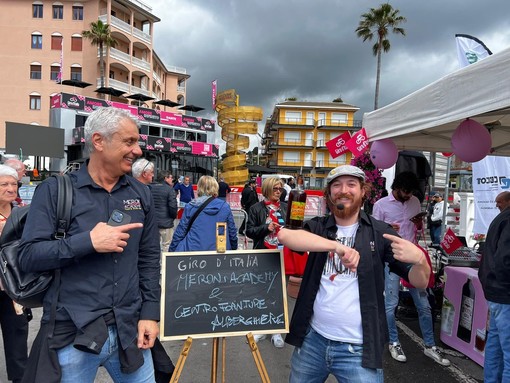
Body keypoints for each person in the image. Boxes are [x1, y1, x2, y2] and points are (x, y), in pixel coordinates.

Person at [18, 107, 161, 383]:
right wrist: (88, 242)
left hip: (130, 331)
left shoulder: (141, 193)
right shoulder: (55, 190)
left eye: (137, 142)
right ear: (98, 141)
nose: (138, 151)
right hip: (73, 334)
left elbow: (149, 259)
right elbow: (29, 255)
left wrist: (150, 314)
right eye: (129, 142)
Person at [277, 165, 430, 382]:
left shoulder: (379, 232)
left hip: (359, 349)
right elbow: (286, 237)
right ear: (329, 194)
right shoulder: (320, 227)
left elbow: (420, 282)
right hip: (313, 342)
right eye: (337, 185)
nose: (343, 190)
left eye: (351, 184)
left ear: (363, 191)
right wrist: (337, 247)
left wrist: (421, 260)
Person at [372, 172, 450, 366]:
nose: (408, 196)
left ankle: (430, 346)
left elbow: (416, 228)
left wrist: (418, 224)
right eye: (405, 192)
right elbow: (373, 234)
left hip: (413, 257)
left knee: (424, 304)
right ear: (396, 188)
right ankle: (394, 342)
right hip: (392, 259)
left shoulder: (415, 201)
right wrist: (386, 228)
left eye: (410, 192)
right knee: (391, 304)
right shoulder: (381, 205)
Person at [246, 177, 288, 348]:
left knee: (278, 292)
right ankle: (261, 327)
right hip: (263, 254)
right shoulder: (256, 208)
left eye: (281, 188)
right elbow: (249, 231)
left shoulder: (286, 207)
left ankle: (276, 329)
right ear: (268, 189)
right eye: (276, 188)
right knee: (261, 291)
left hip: (282, 255)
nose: (279, 191)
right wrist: (266, 228)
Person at [0, 164, 29, 383]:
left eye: (13, 184)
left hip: (14, 289)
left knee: (18, 337)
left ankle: (20, 379)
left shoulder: (23, 214)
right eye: (4, 184)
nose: (11, 188)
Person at [479, 190, 510, 383]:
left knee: (495, 347)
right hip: (504, 293)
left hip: (496, 292)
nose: (497, 205)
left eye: (499, 201)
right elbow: (505, 260)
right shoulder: (506, 219)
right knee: (504, 351)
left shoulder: (502, 219)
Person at [170, 175, 237, 252]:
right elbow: (232, 232)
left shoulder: (191, 206)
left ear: (199, 187)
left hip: (193, 250)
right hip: (218, 250)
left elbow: (180, 232)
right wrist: (233, 248)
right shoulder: (224, 207)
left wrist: (171, 252)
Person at [150, 170, 178, 252]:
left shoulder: (150, 187)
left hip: (152, 222)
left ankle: (154, 263)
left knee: (153, 245)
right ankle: (164, 264)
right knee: (166, 245)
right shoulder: (169, 189)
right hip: (166, 223)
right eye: (171, 177)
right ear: (166, 178)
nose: (172, 179)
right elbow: (173, 207)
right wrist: (172, 218)